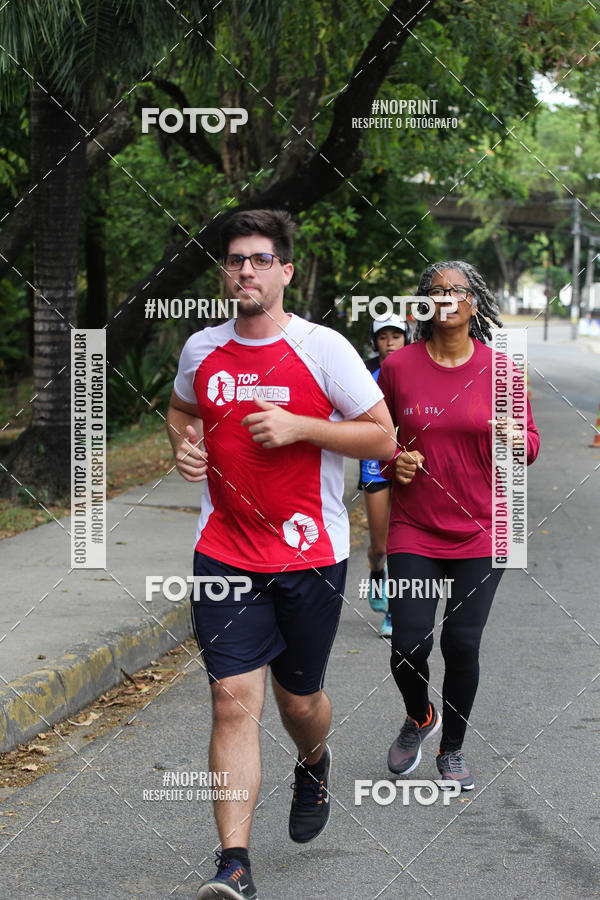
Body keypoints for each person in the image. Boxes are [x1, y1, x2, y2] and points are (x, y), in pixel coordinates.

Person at [166, 208, 395, 899]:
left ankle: (315, 761)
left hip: (309, 554)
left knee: (300, 705)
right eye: (236, 259)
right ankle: (233, 862)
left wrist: (302, 426)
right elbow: (181, 409)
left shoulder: (324, 349)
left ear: (285, 271)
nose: (245, 270)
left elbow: (382, 438)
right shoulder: (202, 349)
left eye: (260, 259)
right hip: (225, 552)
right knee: (232, 704)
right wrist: (183, 443)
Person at [378, 261, 540, 791]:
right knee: (408, 644)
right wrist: (392, 461)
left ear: (475, 303)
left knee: (462, 643)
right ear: (422, 303)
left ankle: (452, 749)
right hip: (414, 527)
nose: (446, 297)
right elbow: (376, 440)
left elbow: (531, 445)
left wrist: (517, 440)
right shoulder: (398, 367)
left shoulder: (502, 370)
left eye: (457, 290)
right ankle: (421, 716)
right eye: (436, 289)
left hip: (482, 530)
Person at [358, 314, 411, 637]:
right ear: (374, 341)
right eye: (383, 337)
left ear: (407, 339)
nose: (390, 342)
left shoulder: (418, 369)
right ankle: (377, 571)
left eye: (396, 336)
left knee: (402, 542)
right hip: (375, 462)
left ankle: (394, 611)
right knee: (381, 546)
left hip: (408, 461)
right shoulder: (363, 372)